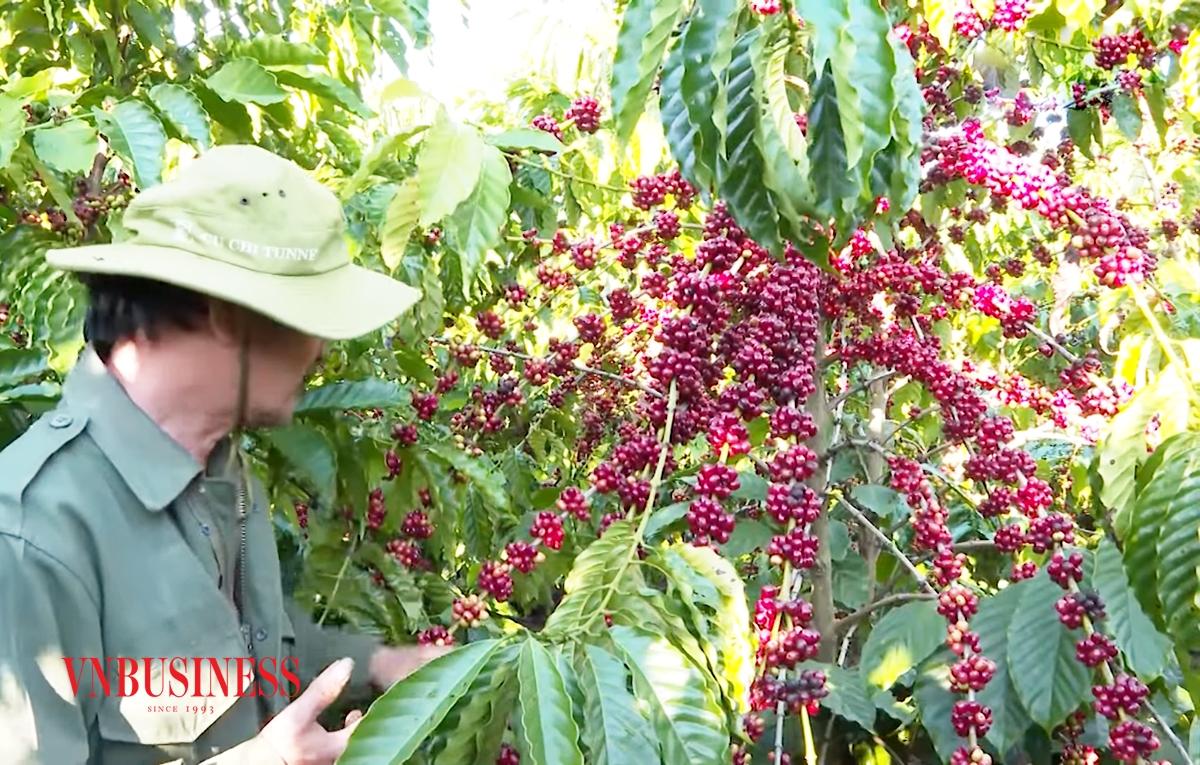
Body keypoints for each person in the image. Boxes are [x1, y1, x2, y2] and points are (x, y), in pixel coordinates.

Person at [0, 144, 450, 764]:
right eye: (310, 318)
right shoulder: (31, 537)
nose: (321, 351)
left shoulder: (221, 475)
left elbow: (249, 656)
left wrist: (382, 663)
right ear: (226, 318)